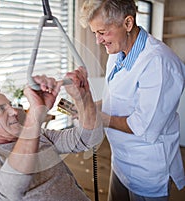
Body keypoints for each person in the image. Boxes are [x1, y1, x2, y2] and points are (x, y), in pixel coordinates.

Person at [79, 0, 185, 201]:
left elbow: (142, 125)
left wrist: (98, 118)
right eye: (95, 33)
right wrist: (87, 106)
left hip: (147, 169)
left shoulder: (158, 63)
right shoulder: (117, 52)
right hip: (120, 161)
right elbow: (115, 101)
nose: (98, 41)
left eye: (102, 32)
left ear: (128, 23)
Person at [0, 67, 103, 201]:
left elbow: (88, 139)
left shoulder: (40, 136)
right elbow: (10, 190)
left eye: (10, 105)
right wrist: (35, 117)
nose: (14, 112)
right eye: (1, 110)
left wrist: (82, 98)